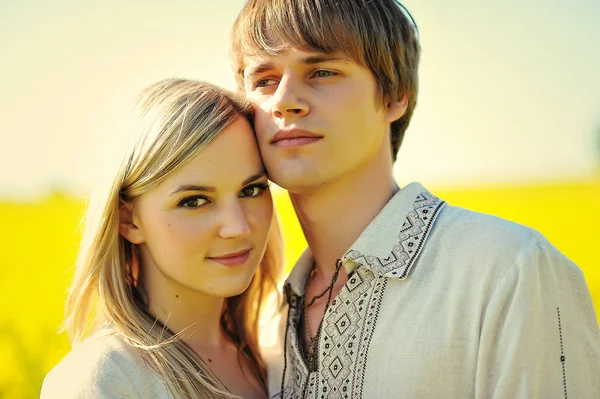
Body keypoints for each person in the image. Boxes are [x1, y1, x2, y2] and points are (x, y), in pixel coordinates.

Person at [230, 0, 600, 398]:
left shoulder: (510, 271)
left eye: (322, 71)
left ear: (395, 95)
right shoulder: (268, 324)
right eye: (264, 81)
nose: (284, 100)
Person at [41, 78, 283, 398]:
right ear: (129, 219)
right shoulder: (102, 380)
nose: (237, 227)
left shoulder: (276, 354)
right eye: (194, 200)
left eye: (251, 190)